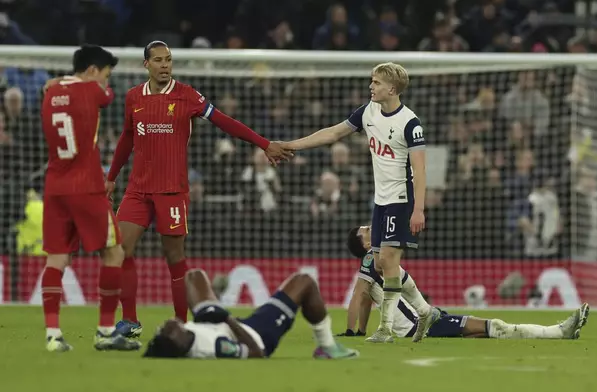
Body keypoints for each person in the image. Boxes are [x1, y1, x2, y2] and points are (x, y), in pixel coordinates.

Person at [106, 41, 293, 338]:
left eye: (169, 59)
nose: (165, 65)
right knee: (119, 250)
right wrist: (112, 177)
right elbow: (127, 139)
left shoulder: (187, 95)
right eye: (158, 60)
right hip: (138, 190)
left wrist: (264, 143)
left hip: (172, 191)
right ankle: (129, 320)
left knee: (174, 258)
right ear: (146, 65)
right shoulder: (133, 98)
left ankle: (181, 323)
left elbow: (225, 122)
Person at [282, 62, 440, 343]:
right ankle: (426, 311)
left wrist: (418, 209)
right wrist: (292, 145)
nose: (371, 86)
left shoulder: (410, 123)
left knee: (390, 261)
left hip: (401, 199)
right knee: (379, 264)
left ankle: (386, 329)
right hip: (380, 201)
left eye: (377, 82)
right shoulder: (368, 112)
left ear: (392, 88)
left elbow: (421, 169)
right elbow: (333, 133)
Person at [40, 45, 140, 352]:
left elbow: (60, 87)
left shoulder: (48, 94)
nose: (107, 84)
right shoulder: (94, 92)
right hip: (86, 186)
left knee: (57, 258)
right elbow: (107, 98)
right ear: (93, 70)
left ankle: (53, 335)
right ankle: (106, 330)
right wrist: (96, 87)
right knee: (114, 253)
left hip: (55, 186)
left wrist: (57, 82)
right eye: (106, 76)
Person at [342, 226, 590, 340]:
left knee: (484, 331)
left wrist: (359, 331)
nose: (369, 226)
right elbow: (359, 295)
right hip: (417, 327)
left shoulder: (378, 260)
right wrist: (352, 331)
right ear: (365, 245)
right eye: (365, 230)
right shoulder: (370, 260)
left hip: (423, 321)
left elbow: (365, 298)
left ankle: (559, 332)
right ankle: (558, 332)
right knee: (494, 326)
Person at [142, 269, 359, 359]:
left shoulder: (184, 335)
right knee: (305, 282)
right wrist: (226, 317)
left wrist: (213, 313)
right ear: (177, 342)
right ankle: (327, 345)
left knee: (194, 276)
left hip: (214, 323)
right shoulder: (214, 347)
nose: (168, 323)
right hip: (256, 332)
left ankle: (214, 296)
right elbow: (256, 353)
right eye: (168, 329)